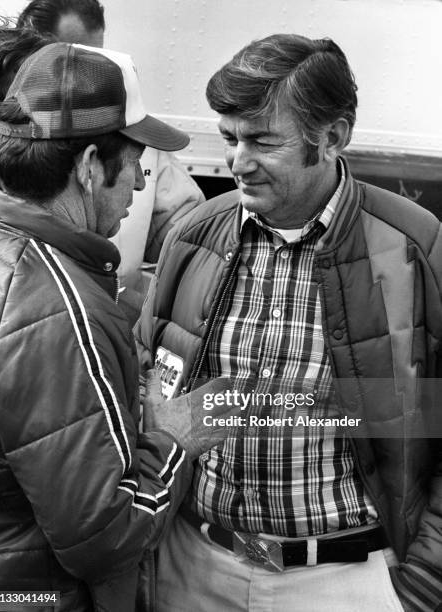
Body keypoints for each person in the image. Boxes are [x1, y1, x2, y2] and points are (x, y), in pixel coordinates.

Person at [135, 33, 442, 611]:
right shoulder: (194, 236)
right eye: (229, 138)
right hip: (193, 569)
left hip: (349, 583)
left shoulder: (416, 248)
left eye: (263, 142)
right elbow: (146, 383)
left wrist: (422, 585)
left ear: (333, 137)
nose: (237, 162)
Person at [0, 42, 233, 612]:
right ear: (90, 165)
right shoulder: (59, 306)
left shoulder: (8, 255)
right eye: (137, 166)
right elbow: (103, 537)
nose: (143, 188)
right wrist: (178, 437)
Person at [16, 0, 205, 311]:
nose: (86, 75)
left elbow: (190, 239)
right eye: (68, 60)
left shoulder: (134, 135)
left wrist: (129, 314)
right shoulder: (8, 143)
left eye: (96, 58)